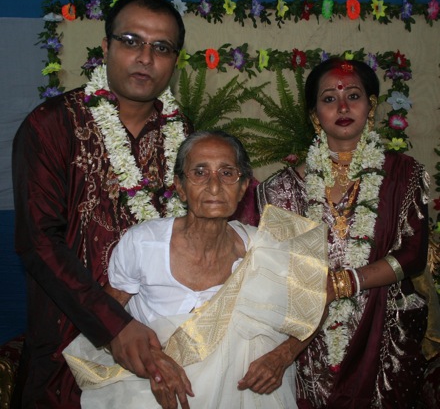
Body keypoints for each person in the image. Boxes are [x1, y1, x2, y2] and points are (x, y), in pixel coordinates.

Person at [12, 0, 193, 407]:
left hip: (162, 343)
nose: (145, 57)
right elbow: (39, 243)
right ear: (107, 46)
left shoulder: (182, 132)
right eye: (131, 41)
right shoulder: (52, 125)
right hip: (70, 338)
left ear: (174, 61)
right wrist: (113, 325)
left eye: (161, 47)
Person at [62, 130, 330, 409]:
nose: (214, 186)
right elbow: (102, 320)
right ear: (179, 186)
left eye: (227, 173)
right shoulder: (144, 244)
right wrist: (152, 364)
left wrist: (282, 356)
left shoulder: (263, 248)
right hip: (150, 393)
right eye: (199, 173)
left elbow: (319, 300)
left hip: (241, 396)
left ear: (243, 187)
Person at [257, 58, 431, 408]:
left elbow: (413, 255)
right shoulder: (279, 190)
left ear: (372, 106)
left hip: (385, 334)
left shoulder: (405, 173)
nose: (343, 106)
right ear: (313, 115)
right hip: (310, 337)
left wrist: (342, 284)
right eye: (328, 99)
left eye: (354, 95)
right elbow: (273, 271)